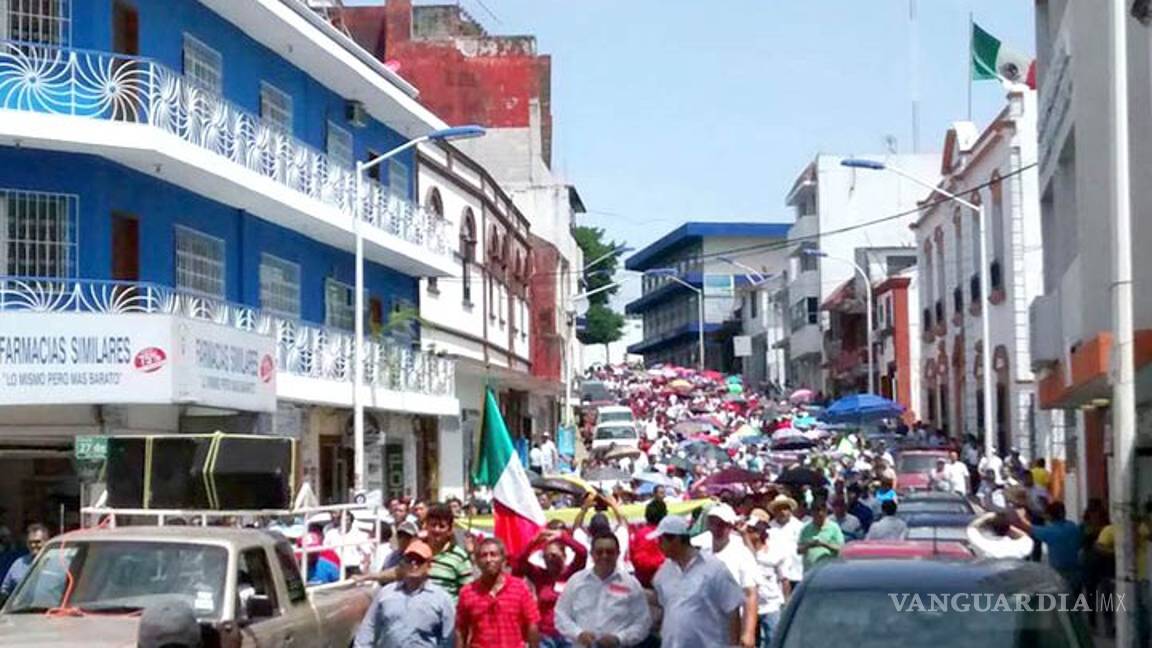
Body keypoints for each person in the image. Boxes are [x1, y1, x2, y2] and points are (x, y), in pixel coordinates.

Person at [648, 515, 746, 648]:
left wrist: (734, 645)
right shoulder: (663, 573)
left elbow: (732, 609)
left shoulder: (714, 569)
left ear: (676, 539)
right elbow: (662, 604)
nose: (659, 545)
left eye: (662, 540)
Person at [554, 534, 652, 647]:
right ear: (592, 554)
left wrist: (619, 639)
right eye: (599, 552)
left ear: (618, 554)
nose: (604, 556)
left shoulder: (631, 584)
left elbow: (643, 622)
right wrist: (578, 634)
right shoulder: (576, 581)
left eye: (609, 552)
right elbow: (561, 615)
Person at [353, 540, 455, 648]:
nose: (413, 564)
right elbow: (369, 629)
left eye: (419, 560)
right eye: (409, 559)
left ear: (429, 566)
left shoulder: (442, 599)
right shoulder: (386, 593)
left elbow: (449, 638)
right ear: (402, 563)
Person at [456, 538, 541, 648]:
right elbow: (461, 629)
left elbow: (532, 623)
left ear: (503, 559)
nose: (488, 559)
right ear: (477, 561)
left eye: (493, 555)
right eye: (484, 555)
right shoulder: (467, 592)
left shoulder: (520, 588)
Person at [695, 504, 758, 648]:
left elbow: (750, 593)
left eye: (722, 524)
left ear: (730, 526)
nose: (717, 528)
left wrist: (748, 632)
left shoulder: (741, 553)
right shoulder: (700, 551)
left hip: (731, 626)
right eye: (713, 522)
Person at [513, 529, 588, 648]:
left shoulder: (572, 572)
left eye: (554, 555)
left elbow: (582, 552)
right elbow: (518, 563)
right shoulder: (539, 575)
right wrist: (533, 542)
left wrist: (562, 536)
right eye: (546, 556)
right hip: (545, 635)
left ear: (564, 555)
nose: (550, 559)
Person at [1011, 501, 1081, 594]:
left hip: (1059, 574)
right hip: (1077, 573)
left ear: (1049, 516)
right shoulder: (1073, 527)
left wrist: (1012, 512)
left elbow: (1024, 526)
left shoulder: (1050, 532)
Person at [745, 510, 790, 648]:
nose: (747, 533)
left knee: (773, 640)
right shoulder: (743, 552)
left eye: (750, 531)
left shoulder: (775, 552)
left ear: (758, 533)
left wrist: (786, 603)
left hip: (771, 605)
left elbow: (784, 579)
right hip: (751, 607)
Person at [426, 503, 474, 600]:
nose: (436, 530)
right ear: (426, 526)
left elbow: (467, 592)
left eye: (442, 526)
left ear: (450, 529)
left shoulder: (459, 557)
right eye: (433, 525)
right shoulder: (417, 551)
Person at [0, 523, 48, 604]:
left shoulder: (56, 563)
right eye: (30, 542)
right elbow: (4, 591)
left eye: (37, 542)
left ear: (47, 542)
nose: (33, 545)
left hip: (50, 613)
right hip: (22, 612)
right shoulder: (19, 564)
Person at [766, 495, 804, 590]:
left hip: (797, 571)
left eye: (785, 509)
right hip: (778, 575)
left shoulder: (800, 526)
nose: (782, 512)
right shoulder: (769, 528)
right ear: (774, 511)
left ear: (790, 510)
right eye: (779, 509)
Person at [629, 499, 667, 588]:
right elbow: (640, 561)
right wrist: (664, 562)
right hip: (648, 584)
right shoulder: (644, 535)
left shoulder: (639, 534)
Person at [797, 498, 844, 571]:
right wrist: (809, 545)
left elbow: (841, 549)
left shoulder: (834, 527)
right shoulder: (806, 528)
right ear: (812, 513)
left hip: (829, 570)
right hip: (810, 570)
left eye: (821, 516)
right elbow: (799, 550)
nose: (819, 517)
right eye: (816, 515)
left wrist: (824, 544)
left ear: (826, 512)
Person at [966, 512, 1035, 559]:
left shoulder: (985, 545)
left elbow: (971, 528)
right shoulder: (1022, 545)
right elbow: (1026, 537)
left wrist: (985, 517)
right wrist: (1007, 526)